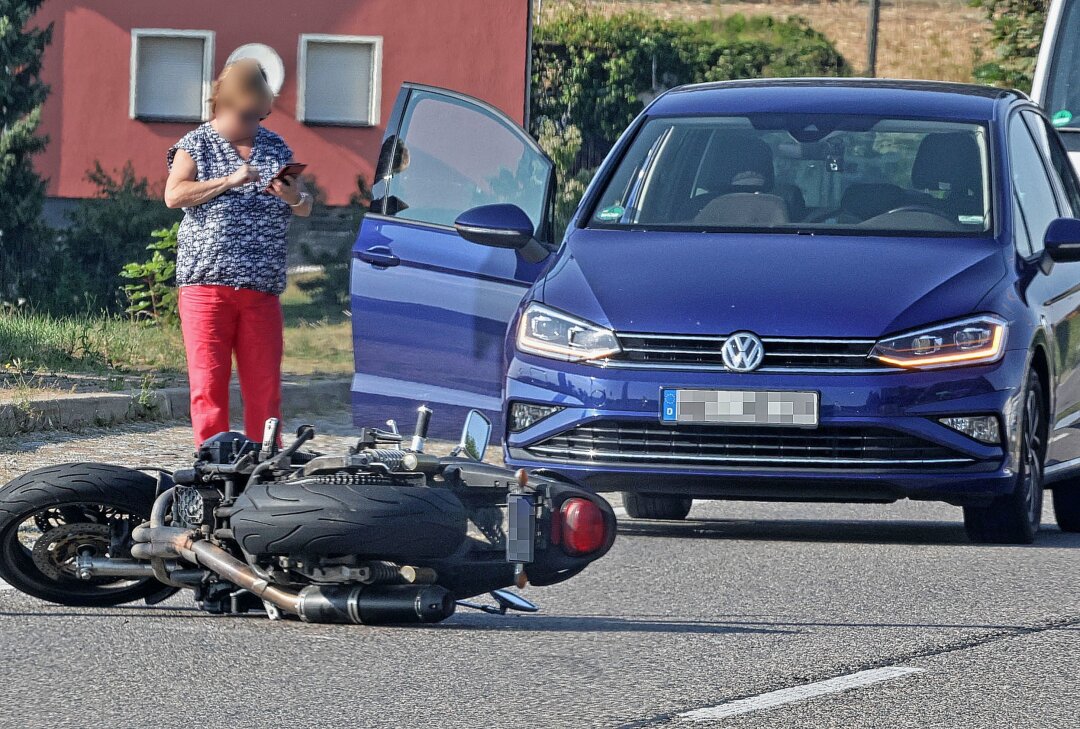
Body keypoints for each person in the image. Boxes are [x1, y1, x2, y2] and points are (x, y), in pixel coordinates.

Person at [164, 59, 313, 445]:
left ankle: (267, 468)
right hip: (207, 287)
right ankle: (214, 467)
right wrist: (229, 180)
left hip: (261, 290)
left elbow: (304, 206)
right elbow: (174, 194)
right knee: (209, 387)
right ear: (223, 104)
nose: (254, 124)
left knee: (265, 391)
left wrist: (294, 196)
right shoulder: (197, 144)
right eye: (247, 115)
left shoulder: (275, 146)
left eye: (260, 115)